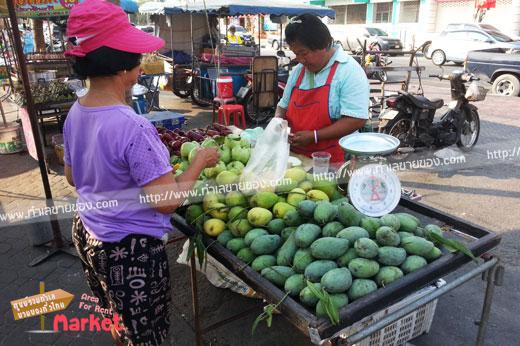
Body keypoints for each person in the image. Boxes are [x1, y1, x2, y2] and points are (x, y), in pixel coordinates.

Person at [63, 0, 219, 345]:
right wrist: (199, 162)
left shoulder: (77, 110)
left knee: (117, 320)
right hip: (129, 251)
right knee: (145, 335)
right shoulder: (133, 126)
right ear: (124, 67)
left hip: (89, 233)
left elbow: (74, 178)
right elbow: (166, 203)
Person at [275, 14, 370, 164]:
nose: (300, 60)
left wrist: (315, 136)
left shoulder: (349, 71)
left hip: (332, 161)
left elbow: (356, 119)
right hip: (296, 160)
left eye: (304, 53)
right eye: (296, 53)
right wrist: (278, 122)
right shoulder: (299, 71)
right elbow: (283, 105)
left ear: (325, 44)